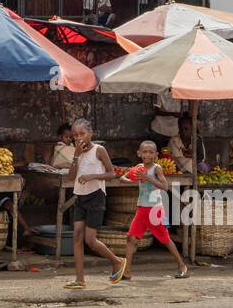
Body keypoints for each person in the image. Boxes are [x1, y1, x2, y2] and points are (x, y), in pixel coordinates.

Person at [63, 118, 127, 288]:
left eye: (82, 134)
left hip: (96, 196)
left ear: (91, 133)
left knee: (90, 240)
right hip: (80, 196)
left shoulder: (99, 150)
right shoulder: (77, 152)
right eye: (75, 135)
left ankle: (117, 261)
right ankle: (80, 279)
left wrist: (92, 176)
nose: (78, 138)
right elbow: (71, 176)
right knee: (77, 236)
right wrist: (76, 155)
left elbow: (112, 173)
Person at [120, 141, 188, 280]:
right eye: (144, 152)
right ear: (139, 153)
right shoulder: (139, 167)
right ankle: (127, 271)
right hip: (142, 209)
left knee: (165, 239)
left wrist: (148, 178)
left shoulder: (157, 168)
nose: (147, 154)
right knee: (130, 238)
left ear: (156, 155)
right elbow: (123, 178)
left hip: (155, 210)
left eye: (151, 152)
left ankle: (182, 266)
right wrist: (132, 179)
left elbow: (165, 186)